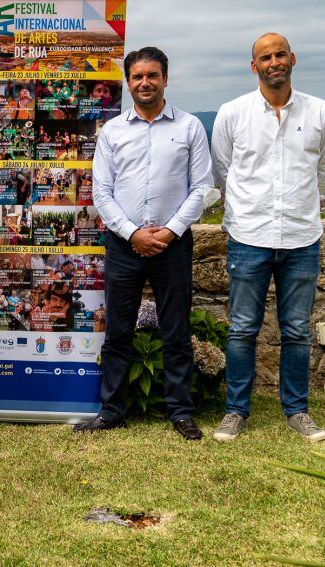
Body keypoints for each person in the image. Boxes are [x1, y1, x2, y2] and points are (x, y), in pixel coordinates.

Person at [78, 46, 214, 441]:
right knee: (118, 332)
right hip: (124, 244)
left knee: (175, 330)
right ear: (128, 82)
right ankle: (112, 411)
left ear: (165, 79)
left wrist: (169, 231)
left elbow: (202, 188)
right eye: (137, 77)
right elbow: (101, 193)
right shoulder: (113, 132)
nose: (145, 83)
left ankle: (181, 411)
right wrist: (133, 233)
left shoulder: (189, 127)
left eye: (152, 75)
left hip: (173, 243)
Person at [210, 33, 325, 443]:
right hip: (249, 236)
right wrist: (250, 210)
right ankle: (236, 411)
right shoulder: (233, 113)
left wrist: (300, 207)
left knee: (298, 329)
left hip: (302, 236)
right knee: (242, 329)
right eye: (265, 57)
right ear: (254, 67)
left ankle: (297, 410)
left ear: (293, 59)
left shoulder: (320, 111)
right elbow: (222, 173)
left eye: (280, 53)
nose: (274, 61)